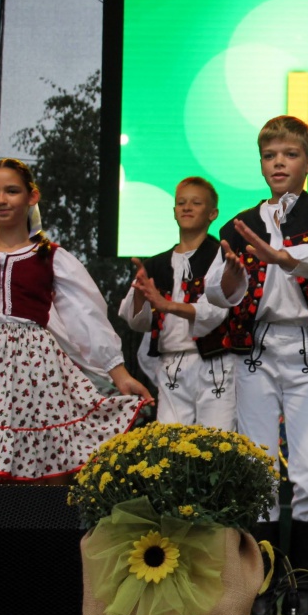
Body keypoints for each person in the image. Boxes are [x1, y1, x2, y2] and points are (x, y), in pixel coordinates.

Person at [204, 115, 308, 615]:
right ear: (261, 164)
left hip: (306, 347)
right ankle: (264, 587)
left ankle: (306, 587)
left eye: (290, 155)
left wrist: (285, 255)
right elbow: (217, 294)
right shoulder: (238, 223)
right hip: (255, 349)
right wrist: (232, 276)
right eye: (270, 155)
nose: (279, 163)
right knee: (259, 470)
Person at [0, 158, 150, 482]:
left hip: (35, 366)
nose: (1, 199)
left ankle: (44, 517)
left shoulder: (50, 256)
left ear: (32, 196)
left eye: (12, 191)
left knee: (46, 457)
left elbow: (85, 316)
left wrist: (118, 372)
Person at [118, 176, 235, 429]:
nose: (187, 207)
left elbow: (216, 312)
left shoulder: (221, 257)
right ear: (174, 211)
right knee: (170, 439)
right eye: (181, 203)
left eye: (196, 203)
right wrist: (140, 293)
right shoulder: (154, 264)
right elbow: (137, 322)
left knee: (216, 439)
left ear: (213, 213)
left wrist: (168, 305)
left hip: (214, 361)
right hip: (171, 361)